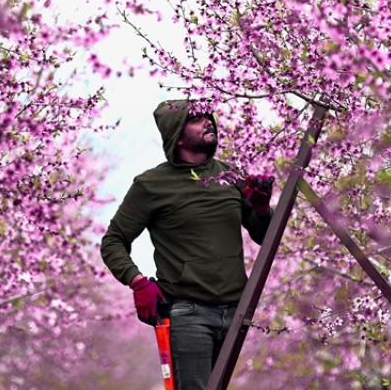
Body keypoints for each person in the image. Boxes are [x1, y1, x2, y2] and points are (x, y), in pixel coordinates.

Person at [100, 99, 275, 390]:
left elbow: (264, 237)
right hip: (188, 313)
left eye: (208, 116)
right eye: (196, 120)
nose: (208, 122)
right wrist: (138, 282)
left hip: (236, 310)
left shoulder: (231, 176)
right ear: (178, 135)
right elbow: (113, 241)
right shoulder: (151, 185)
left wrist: (260, 209)